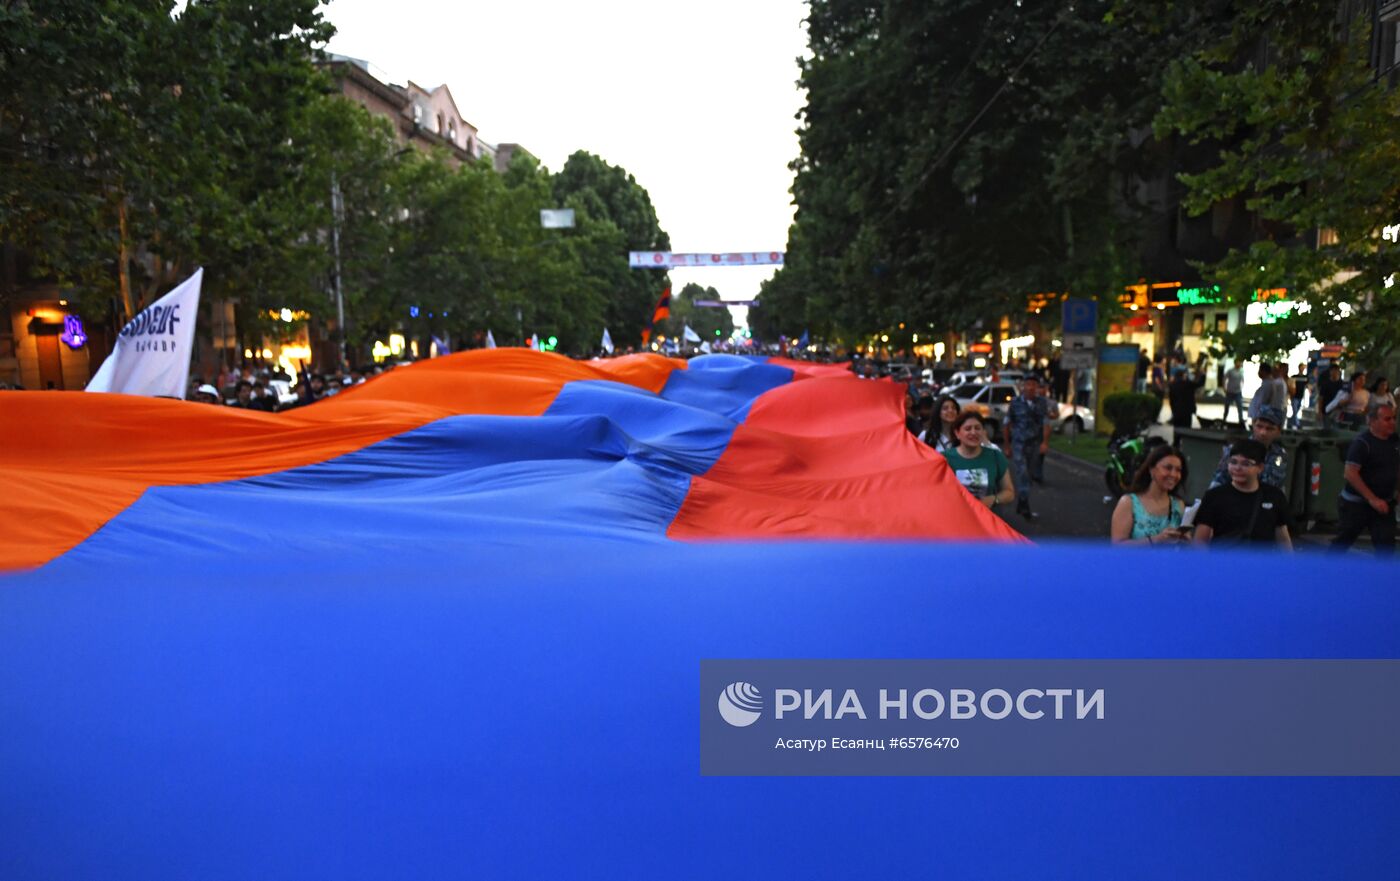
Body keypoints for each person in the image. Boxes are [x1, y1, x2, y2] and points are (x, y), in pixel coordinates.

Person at [1193, 439, 1295, 549]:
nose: (1237, 468)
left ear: (1260, 468)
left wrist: (1290, 565)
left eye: (1246, 464)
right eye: (1233, 462)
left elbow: (1283, 539)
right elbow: (1200, 542)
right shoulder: (1214, 496)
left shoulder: (1274, 496)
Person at [1331, 402, 1398, 556]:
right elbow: (1350, 473)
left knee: (1385, 546)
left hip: (1384, 505)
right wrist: (1372, 499)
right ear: (1373, 421)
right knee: (1343, 541)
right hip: (1356, 505)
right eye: (1387, 419)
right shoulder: (1362, 443)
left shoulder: (1394, 442)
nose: (1392, 422)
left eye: (1394, 418)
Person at [1110, 444, 1188, 546]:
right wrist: (1156, 539)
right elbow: (1117, 547)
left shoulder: (1178, 505)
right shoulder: (1129, 503)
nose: (1173, 474)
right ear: (1151, 469)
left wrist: (1186, 540)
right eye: (1168, 468)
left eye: (1178, 470)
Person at [942, 412, 1014, 511]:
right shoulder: (944, 458)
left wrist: (994, 499)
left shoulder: (995, 456)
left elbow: (1009, 492)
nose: (973, 432)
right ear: (957, 433)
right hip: (955, 518)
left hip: (987, 520)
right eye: (968, 429)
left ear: (983, 432)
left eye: (977, 428)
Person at [1002, 375, 1052, 520]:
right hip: (1018, 443)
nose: (1030, 387)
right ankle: (1024, 505)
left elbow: (1046, 423)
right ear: (1023, 386)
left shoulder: (1042, 403)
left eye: (1034, 385)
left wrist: (1045, 443)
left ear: (1037, 387)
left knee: (1030, 474)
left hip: (1034, 444)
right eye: (1028, 384)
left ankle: (1022, 500)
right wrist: (1006, 445)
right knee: (1021, 472)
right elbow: (1007, 424)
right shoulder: (1015, 403)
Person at [1207, 405, 1288, 492]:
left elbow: (1279, 486)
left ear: (1278, 431)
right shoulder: (1236, 450)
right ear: (1253, 425)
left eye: (1269, 429)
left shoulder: (1279, 455)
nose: (1263, 432)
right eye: (1259, 426)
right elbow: (1218, 481)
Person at [1288, 363, 1309, 429]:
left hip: (1300, 396)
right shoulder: (1294, 376)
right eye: (1301, 367)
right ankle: (1297, 424)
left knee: (1295, 412)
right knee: (1295, 410)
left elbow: (1308, 385)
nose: (1302, 369)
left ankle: (1290, 423)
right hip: (1294, 396)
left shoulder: (1305, 377)